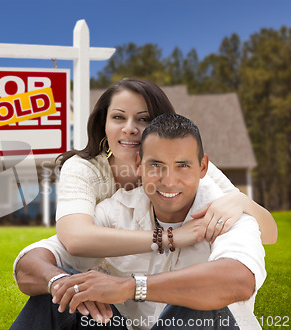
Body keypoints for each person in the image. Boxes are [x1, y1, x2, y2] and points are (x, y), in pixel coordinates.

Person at [12, 114, 266, 329]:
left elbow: (238, 280)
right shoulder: (117, 211)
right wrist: (57, 282)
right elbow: (30, 263)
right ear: (138, 165)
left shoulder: (227, 213)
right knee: (57, 296)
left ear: (202, 167)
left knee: (200, 304)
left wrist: (131, 287)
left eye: (182, 166)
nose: (168, 180)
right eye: (156, 165)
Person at [55, 78, 277, 260]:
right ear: (103, 123)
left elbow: (269, 234)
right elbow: (75, 238)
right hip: (102, 282)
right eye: (118, 117)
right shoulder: (84, 169)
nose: (129, 128)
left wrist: (241, 201)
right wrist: (171, 237)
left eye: (142, 119)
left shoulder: (188, 167)